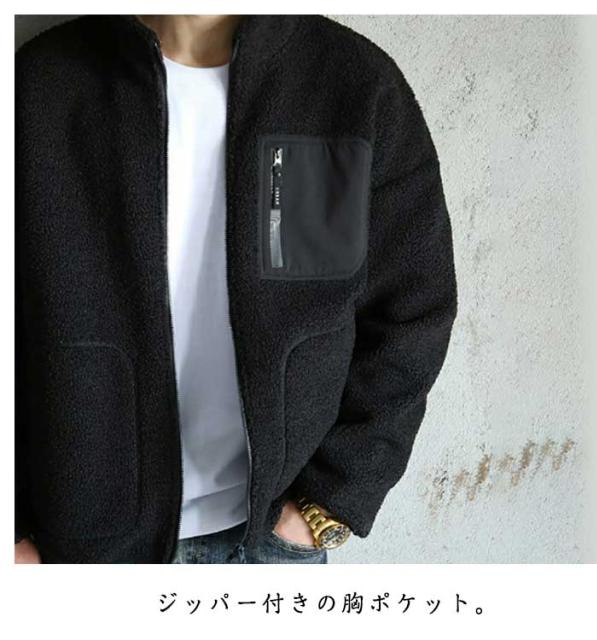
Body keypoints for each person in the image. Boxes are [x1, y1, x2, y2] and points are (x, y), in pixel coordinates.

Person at [15, 14, 457, 564]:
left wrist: (330, 503)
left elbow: (413, 309)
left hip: (270, 542)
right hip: (75, 552)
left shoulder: (351, 85)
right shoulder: (38, 86)